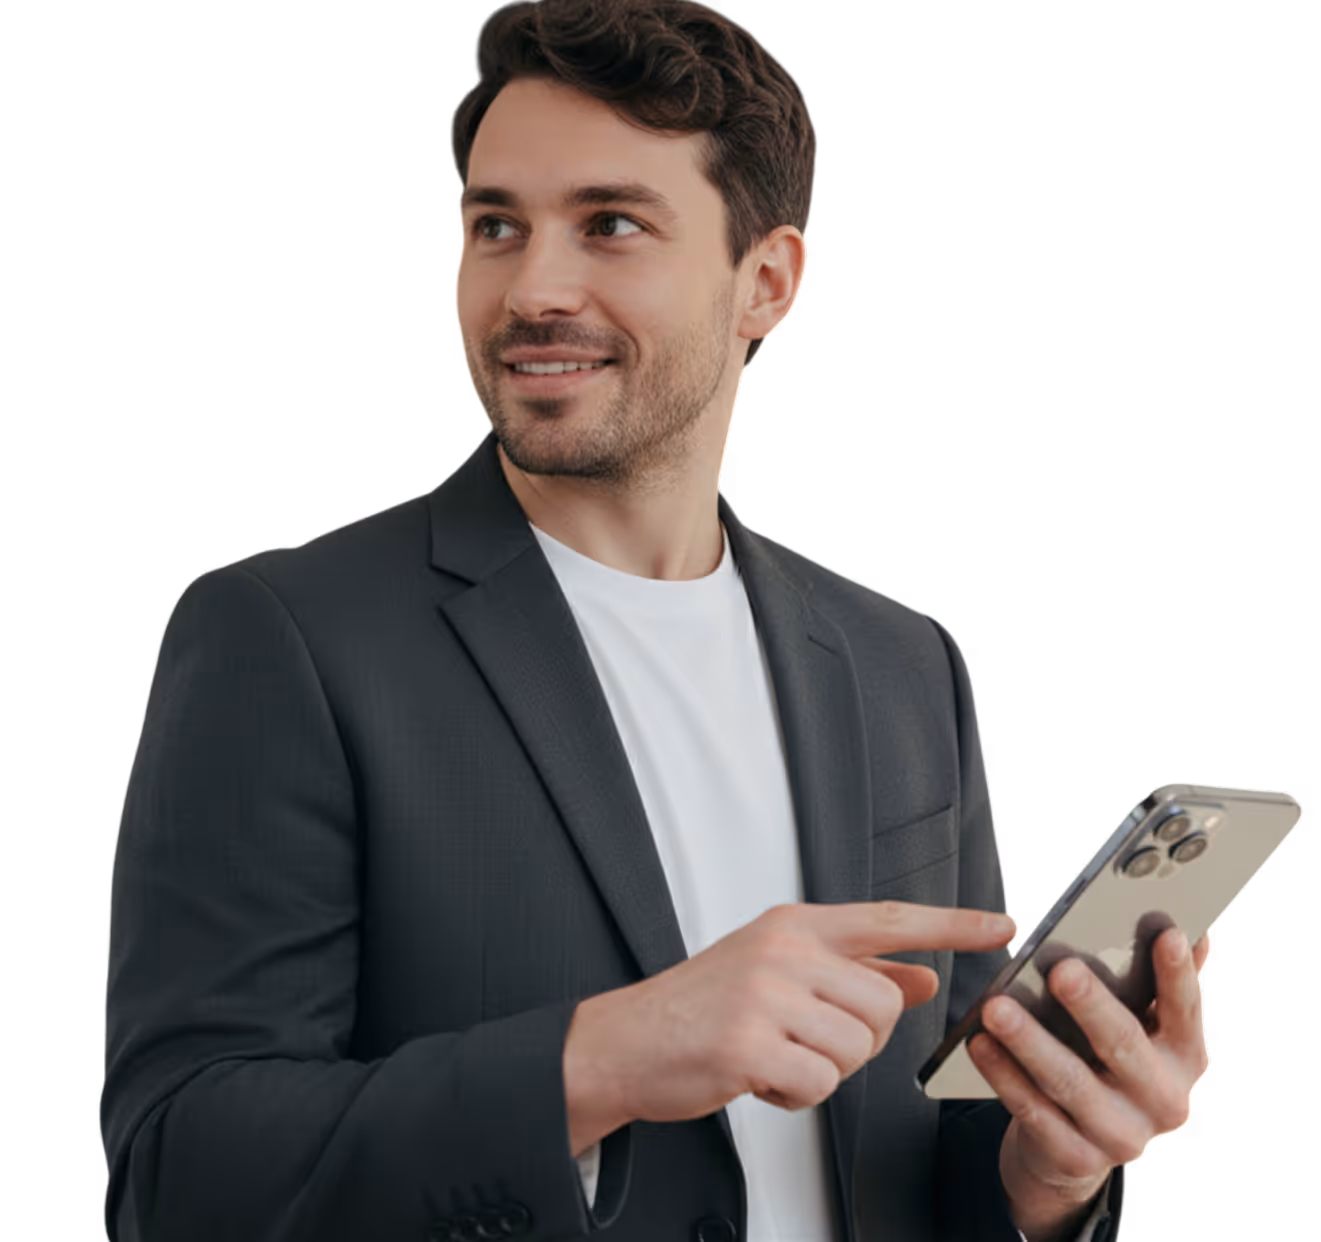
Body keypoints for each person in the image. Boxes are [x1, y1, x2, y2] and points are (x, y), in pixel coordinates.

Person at [101, 2, 1134, 1237]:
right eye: (496, 227)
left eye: (611, 225)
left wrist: (1048, 1176)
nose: (533, 288)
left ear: (767, 283)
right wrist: (602, 1059)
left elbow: (911, 1155)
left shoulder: (904, 664)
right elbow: (178, 1171)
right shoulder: (282, 637)